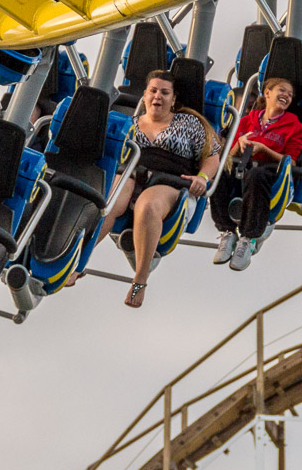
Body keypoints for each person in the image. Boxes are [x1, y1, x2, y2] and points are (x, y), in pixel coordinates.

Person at [91, 70, 219, 308]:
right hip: (132, 174)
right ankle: (78, 261)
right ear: (145, 94)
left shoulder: (189, 123)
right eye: (153, 91)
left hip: (171, 181)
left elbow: (212, 157)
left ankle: (140, 280)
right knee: (111, 200)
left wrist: (202, 177)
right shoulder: (131, 124)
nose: (157, 96)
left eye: (164, 92)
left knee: (148, 206)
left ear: (173, 98)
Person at [211, 77, 302, 271]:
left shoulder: (295, 127)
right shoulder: (247, 120)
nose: (286, 96)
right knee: (220, 171)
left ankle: (248, 238)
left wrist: (263, 148)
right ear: (267, 93)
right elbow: (228, 156)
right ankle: (227, 232)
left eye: (290, 95)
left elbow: (291, 161)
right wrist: (239, 146)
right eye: (282, 90)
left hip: (271, 172)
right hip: (242, 165)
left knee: (257, 174)